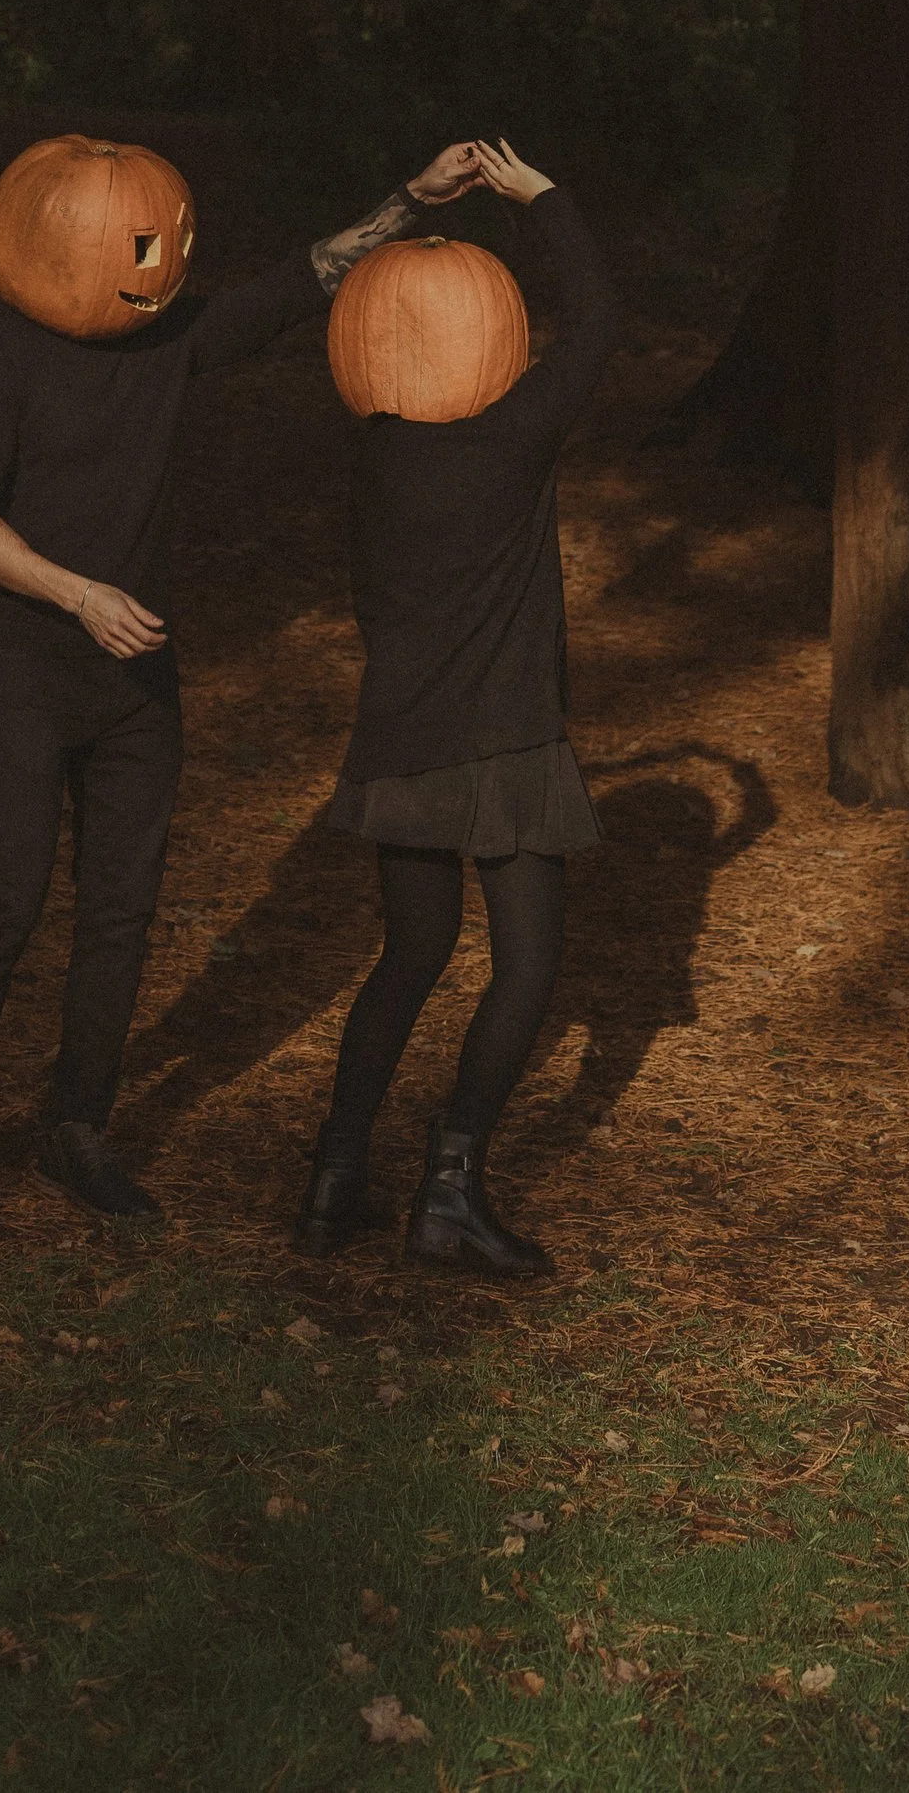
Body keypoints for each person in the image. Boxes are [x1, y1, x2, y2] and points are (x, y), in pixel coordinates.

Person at [0, 134, 491, 1237]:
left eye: (173, 240)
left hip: (137, 690)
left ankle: (77, 1128)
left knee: (120, 917)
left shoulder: (166, 342)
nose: (164, 261)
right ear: (60, 238)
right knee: (2, 910)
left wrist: (411, 199)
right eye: (144, 243)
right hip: (28, 681)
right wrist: (76, 594)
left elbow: (303, 280)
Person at [297, 138, 620, 1277]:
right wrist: (543, 198)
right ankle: (449, 1187)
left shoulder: (376, 457)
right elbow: (595, 322)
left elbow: (353, 306)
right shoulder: (512, 438)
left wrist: (407, 209)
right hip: (506, 738)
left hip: (402, 741)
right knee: (526, 967)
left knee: (411, 953)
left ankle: (334, 1179)